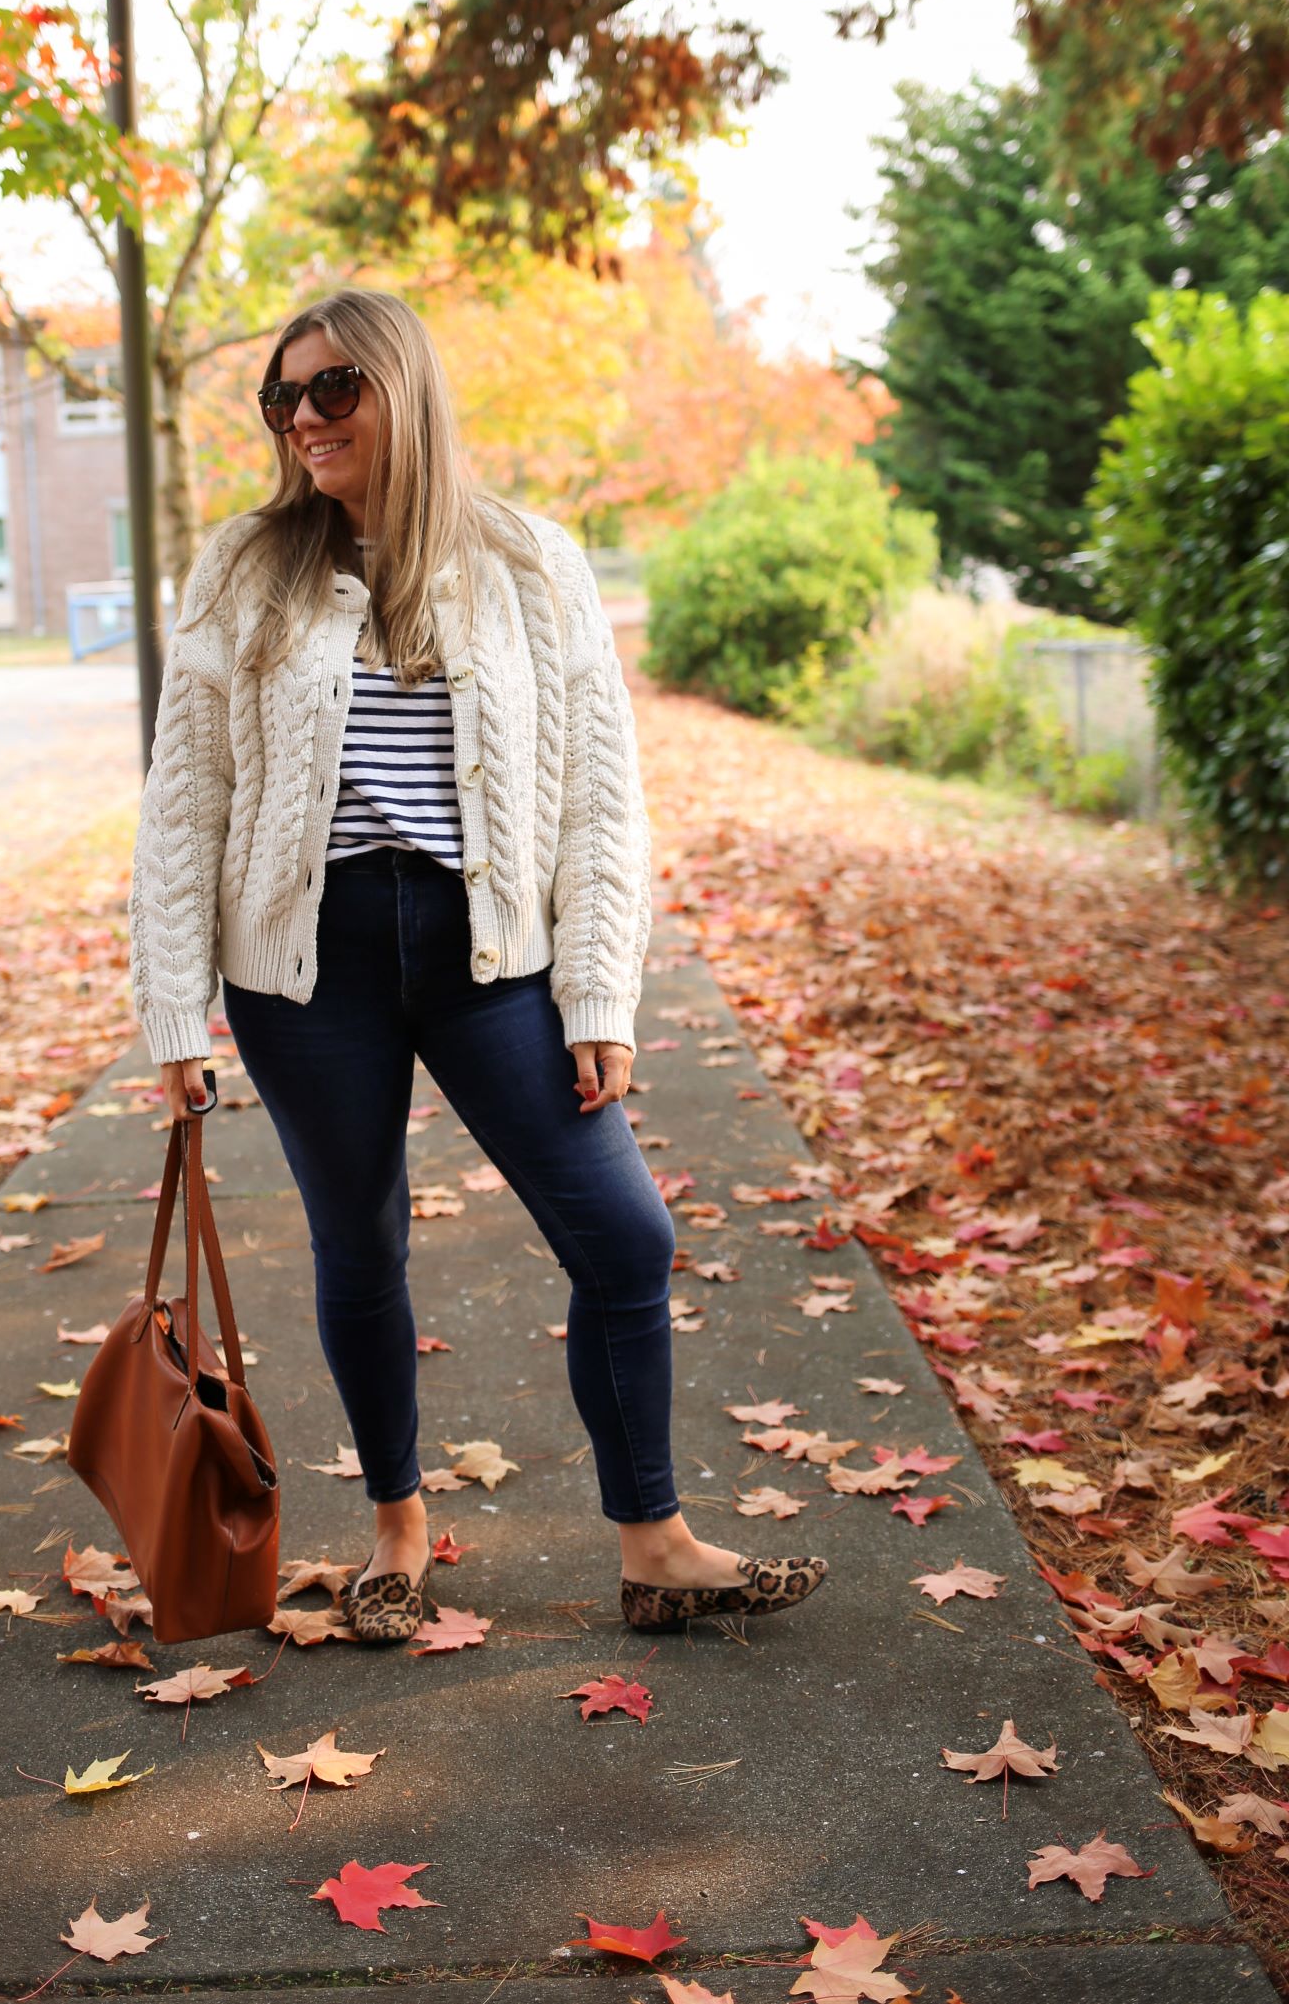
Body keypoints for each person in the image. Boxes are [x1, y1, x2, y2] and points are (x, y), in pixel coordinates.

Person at [128, 287, 828, 1642]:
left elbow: (598, 797)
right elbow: (185, 796)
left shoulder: (530, 559)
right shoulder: (242, 563)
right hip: (304, 961)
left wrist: (602, 995)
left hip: (488, 948)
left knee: (626, 1235)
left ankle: (654, 1541)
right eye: (283, 398)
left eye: (334, 389)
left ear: (406, 386)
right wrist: (174, 1008)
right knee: (361, 1241)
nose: (303, 418)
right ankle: (397, 1525)